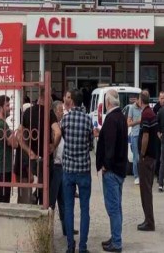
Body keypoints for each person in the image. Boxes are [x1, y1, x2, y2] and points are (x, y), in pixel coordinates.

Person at [61, 89, 94, 253]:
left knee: (69, 209)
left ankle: (70, 246)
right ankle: (82, 247)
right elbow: (91, 144)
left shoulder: (65, 120)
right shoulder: (88, 120)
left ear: (72, 101)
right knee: (84, 209)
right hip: (84, 169)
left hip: (68, 169)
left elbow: (63, 137)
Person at [96, 90, 128, 253]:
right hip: (120, 169)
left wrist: (105, 165)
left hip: (112, 170)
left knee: (113, 208)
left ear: (108, 102)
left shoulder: (111, 119)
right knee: (117, 206)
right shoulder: (121, 117)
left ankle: (116, 242)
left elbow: (110, 145)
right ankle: (115, 236)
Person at [136, 92, 158, 232]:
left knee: (145, 191)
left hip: (147, 157)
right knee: (147, 189)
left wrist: (142, 154)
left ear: (140, 100)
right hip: (152, 156)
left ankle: (149, 222)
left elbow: (145, 136)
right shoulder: (151, 113)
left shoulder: (146, 114)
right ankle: (148, 220)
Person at [49, 100, 69, 235]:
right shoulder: (53, 128)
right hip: (55, 166)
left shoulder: (61, 125)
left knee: (63, 199)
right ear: (55, 111)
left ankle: (66, 228)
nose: (63, 112)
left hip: (63, 166)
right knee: (52, 200)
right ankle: (48, 228)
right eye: (61, 110)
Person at [0, 95, 14, 204]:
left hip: (4, 167)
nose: (9, 108)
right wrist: (16, 134)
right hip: (3, 168)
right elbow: (14, 143)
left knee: (4, 199)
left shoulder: (3, 124)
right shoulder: (1, 124)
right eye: (7, 105)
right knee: (3, 201)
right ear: (0, 108)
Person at [126, 93, 142, 185]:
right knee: (136, 157)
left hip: (143, 134)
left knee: (142, 156)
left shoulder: (143, 108)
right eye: (140, 100)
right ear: (137, 100)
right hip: (135, 135)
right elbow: (128, 123)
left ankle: (142, 175)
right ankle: (136, 176)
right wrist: (138, 121)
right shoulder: (132, 108)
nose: (141, 102)